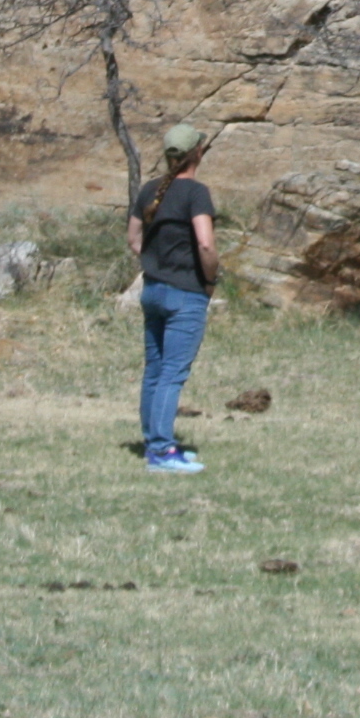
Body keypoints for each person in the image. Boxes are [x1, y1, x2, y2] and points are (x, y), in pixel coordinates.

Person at [130, 123, 219, 475]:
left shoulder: (150, 190)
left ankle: (153, 442)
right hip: (186, 293)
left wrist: (155, 262)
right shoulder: (196, 193)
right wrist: (209, 279)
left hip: (152, 289)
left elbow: (134, 238)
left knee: (155, 370)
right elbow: (206, 243)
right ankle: (162, 452)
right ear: (197, 153)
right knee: (172, 373)